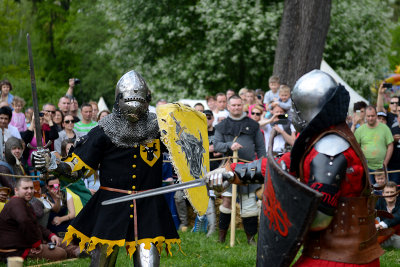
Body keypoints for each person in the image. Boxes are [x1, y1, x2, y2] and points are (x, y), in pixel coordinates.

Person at [206, 70, 383, 266]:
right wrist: (230, 172)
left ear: (309, 110)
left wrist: (277, 204)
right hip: (334, 252)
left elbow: (319, 219)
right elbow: (279, 166)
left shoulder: (329, 150)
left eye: (296, 108)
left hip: (337, 257)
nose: (292, 113)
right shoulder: (324, 138)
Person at [33, 70, 180, 266]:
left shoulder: (158, 128)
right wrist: (53, 164)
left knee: (148, 262)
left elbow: (184, 154)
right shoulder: (103, 131)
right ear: (119, 100)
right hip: (112, 205)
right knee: (102, 263)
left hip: (148, 206)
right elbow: (77, 168)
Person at [214, 95, 266, 245]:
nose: (236, 107)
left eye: (238, 105)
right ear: (228, 107)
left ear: (242, 105)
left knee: (249, 202)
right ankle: (222, 237)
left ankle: (251, 239)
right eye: (233, 105)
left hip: (249, 168)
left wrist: (261, 164)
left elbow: (261, 147)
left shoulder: (253, 125)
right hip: (229, 167)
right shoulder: (221, 126)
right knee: (226, 201)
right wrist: (229, 145)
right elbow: (216, 145)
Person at [0, 178, 67, 261]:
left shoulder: (24, 203)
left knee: (61, 241)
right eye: (25, 188)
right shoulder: (16, 203)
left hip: (26, 245)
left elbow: (35, 225)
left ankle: (79, 251)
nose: (29, 191)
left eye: (31, 188)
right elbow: (24, 221)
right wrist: (36, 244)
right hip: (16, 251)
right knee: (60, 253)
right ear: (16, 190)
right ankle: (76, 251)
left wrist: (50, 235)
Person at [355, 106, 394, 184]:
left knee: (384, 190)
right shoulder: (360, 130)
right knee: (369, 192)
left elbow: (390, 145)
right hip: (366, 167)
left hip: (381, 167)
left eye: (372, 116)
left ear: (376, 115)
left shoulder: (384, 128)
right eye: (368, 116)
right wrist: (361, 162)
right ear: (365, 116)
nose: (370, 118)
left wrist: (385, 162)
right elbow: (356, 147)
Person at [376, 181, 400, 249]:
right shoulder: (379, 202)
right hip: (385, 234)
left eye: (392, 192)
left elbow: (398, 216)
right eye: (387, 192)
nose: (389, 194)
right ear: (383, 194)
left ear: (397, 193)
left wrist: (382, 224)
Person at [388, 106, 400, 184]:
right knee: (394, 186)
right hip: (394, 166)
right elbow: (387, 145)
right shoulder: (392, 130)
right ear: (398, 119)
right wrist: (392, 140)